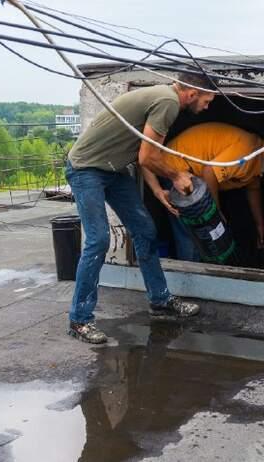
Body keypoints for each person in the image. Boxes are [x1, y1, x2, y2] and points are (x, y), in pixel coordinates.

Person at [65, 72, 216, 344]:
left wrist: (158, 192)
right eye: (207, 101)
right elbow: (147, 156)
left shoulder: (163, 98)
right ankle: (80, 320)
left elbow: (144, 153)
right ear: (192, 94)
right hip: (86, 169)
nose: (207, 107)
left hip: (113, 169)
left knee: (145, 230)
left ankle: (159, 300)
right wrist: (176, 176)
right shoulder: (168, 103)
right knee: (98, 240)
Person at [142, 122, 264, 262]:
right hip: (177, 170)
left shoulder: (255, 158)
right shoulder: (247, 152)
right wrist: (216, 212)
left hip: (191, 176)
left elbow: (253, 189)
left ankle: (196, 271)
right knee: (193, 233)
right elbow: (210, 172)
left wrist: (260, 225)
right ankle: (190, 278)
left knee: (203, 234)